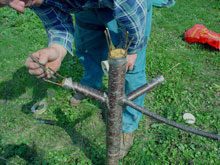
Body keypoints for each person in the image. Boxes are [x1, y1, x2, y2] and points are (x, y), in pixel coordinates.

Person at [0, 0, 153, 159]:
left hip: (130, 8)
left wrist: (133, 47)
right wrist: (56, 49)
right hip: (86, 8)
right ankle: (91, 88)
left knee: (129, 69)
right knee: (87, 50)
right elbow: (57, 23)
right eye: (6, 4)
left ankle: (126, 126)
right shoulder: (27, 1)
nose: (20, 8)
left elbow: (132, 3)